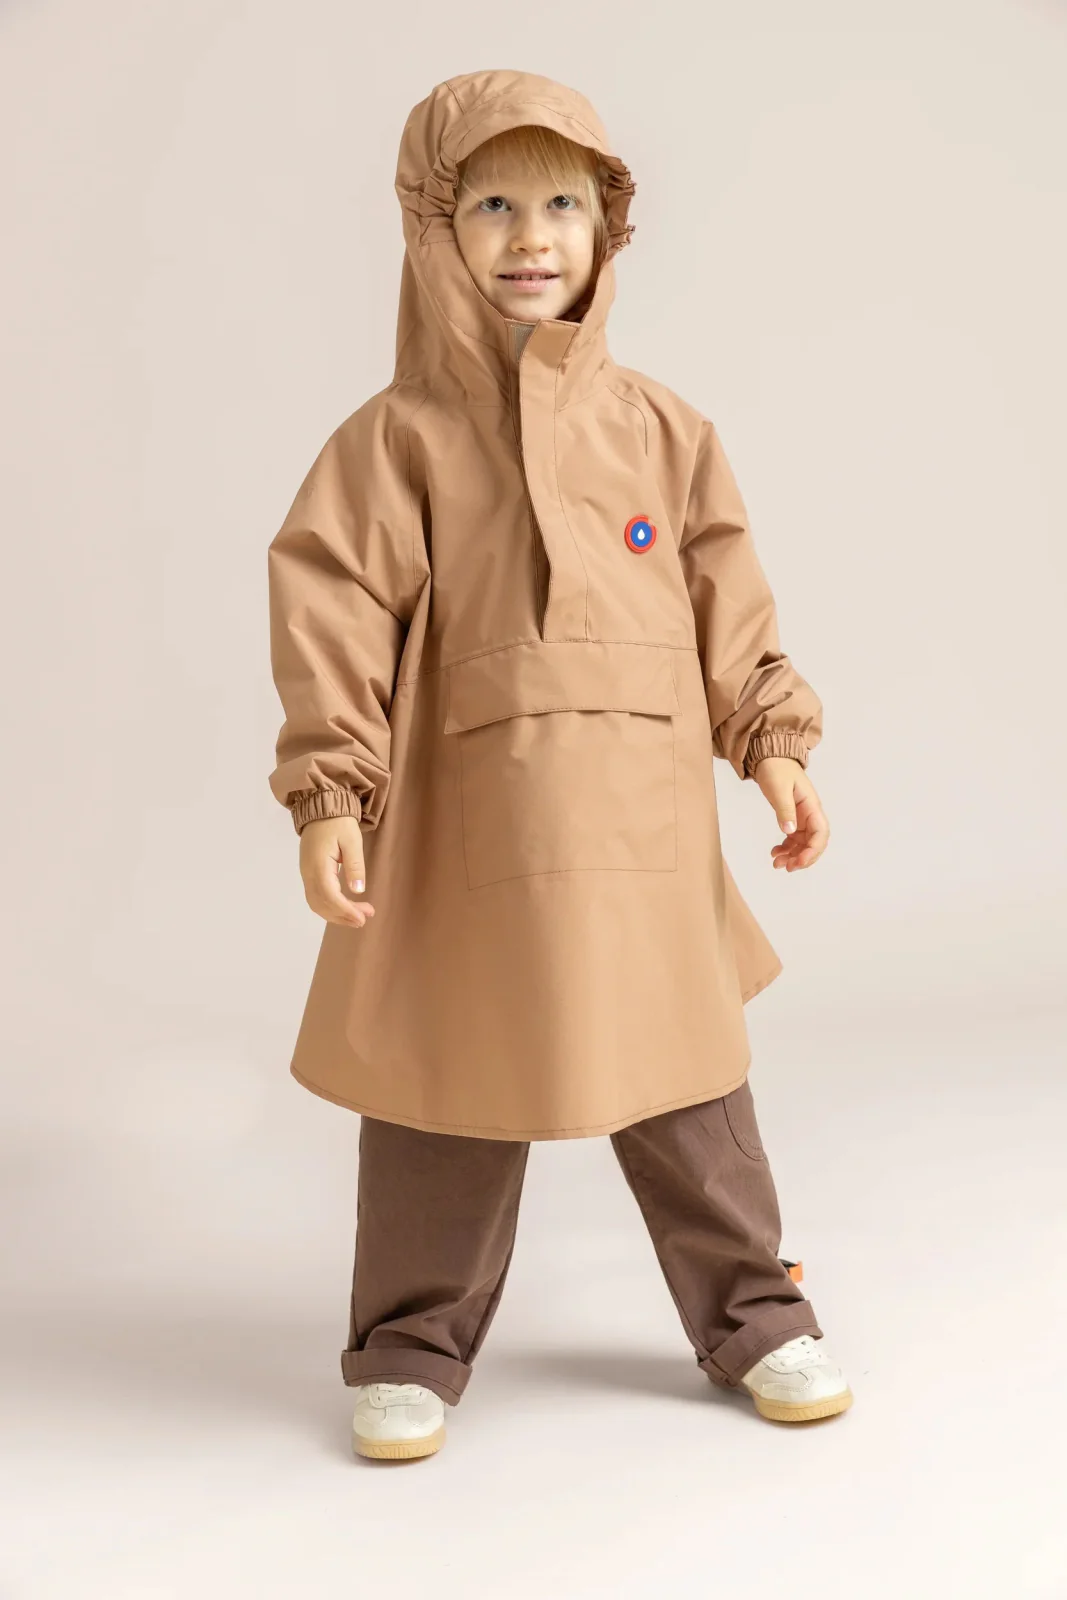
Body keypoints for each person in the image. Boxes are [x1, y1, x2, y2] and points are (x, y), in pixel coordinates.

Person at [267, 69, 852, 1462]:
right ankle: (408, 1340)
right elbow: (333, 613)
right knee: (449, 1068)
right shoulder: (394, 443)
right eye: (491, 205)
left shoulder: (662, 431)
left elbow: (723, 598)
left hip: (642, 818)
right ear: (432, 228)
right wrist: (329, 794)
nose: (531, 237)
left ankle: (757, 1313)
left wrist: (769, 741)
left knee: (685, 1069)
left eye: (563, 206)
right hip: (466, 821)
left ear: (607, 227)